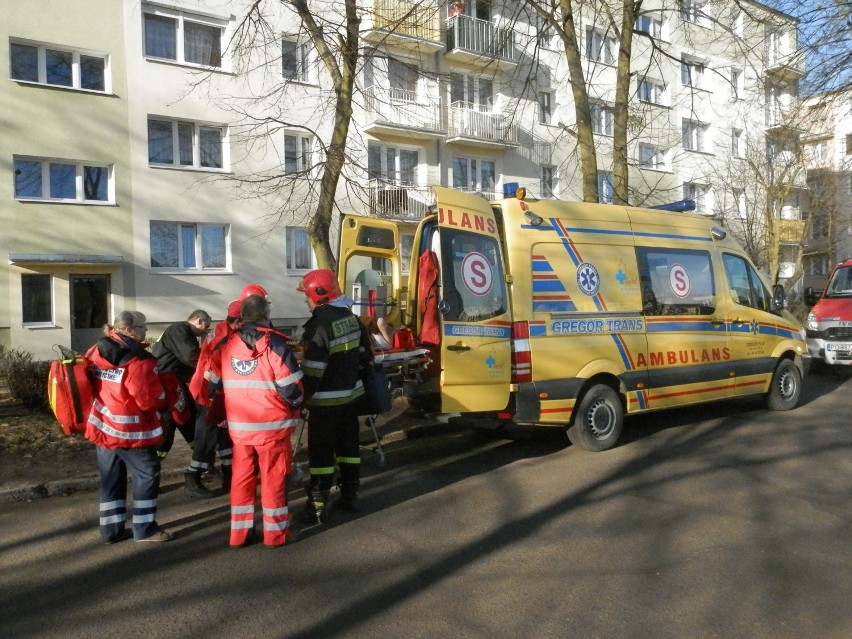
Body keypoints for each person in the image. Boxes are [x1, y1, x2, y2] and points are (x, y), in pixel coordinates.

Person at [208, 295, 303, 547]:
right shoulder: (274, 344)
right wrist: (297, 405)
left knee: (241, 479)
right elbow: (291, 387)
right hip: (272, 426)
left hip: (240, 427)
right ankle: (274, 534)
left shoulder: (226, 344)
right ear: (265, 313)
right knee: (273, 479)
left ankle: (239, 534)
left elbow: (212, 383)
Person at [85, 311, 173, 543]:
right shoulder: (139, 359)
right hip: (130, 431)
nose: (146, 330)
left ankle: (110, 531)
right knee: (148, 473)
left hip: (103, 425)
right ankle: (145, 528)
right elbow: (148, 399)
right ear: (129, 330)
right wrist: (165, 396)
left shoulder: (96, 350)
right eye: (142, 327)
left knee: (111, 477)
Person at [297, 269, 373, 524]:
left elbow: (313, 372)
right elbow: (365, 357)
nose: (306, 301)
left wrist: (300, 399)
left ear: (319, 295)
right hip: (351, 399)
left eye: (306, 296)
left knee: (321, 454)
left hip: (325, 403)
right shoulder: (351, 318)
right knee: (349, 448)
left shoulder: (318, 325)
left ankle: (317, 505)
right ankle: (350, 495)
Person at [152, 309, 212, 496]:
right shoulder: (180, 330)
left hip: (175, 385)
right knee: (167, 430)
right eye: (206, 327)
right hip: (167, 386)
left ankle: (201, 466)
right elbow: (191, 357)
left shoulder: (182, 333)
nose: (205, 332)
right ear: (199, 321)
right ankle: (149, 477)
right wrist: (211, 366)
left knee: (190, 424)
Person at [187, 300, 241, 493]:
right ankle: (193, 478)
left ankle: (229, 475)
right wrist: (214, 395)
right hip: (208, 394)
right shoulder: (226, 338)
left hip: (214, 392)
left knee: (224, 436)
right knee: (206, 438)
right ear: (238, 321)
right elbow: (215, 372)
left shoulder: (224, 332)